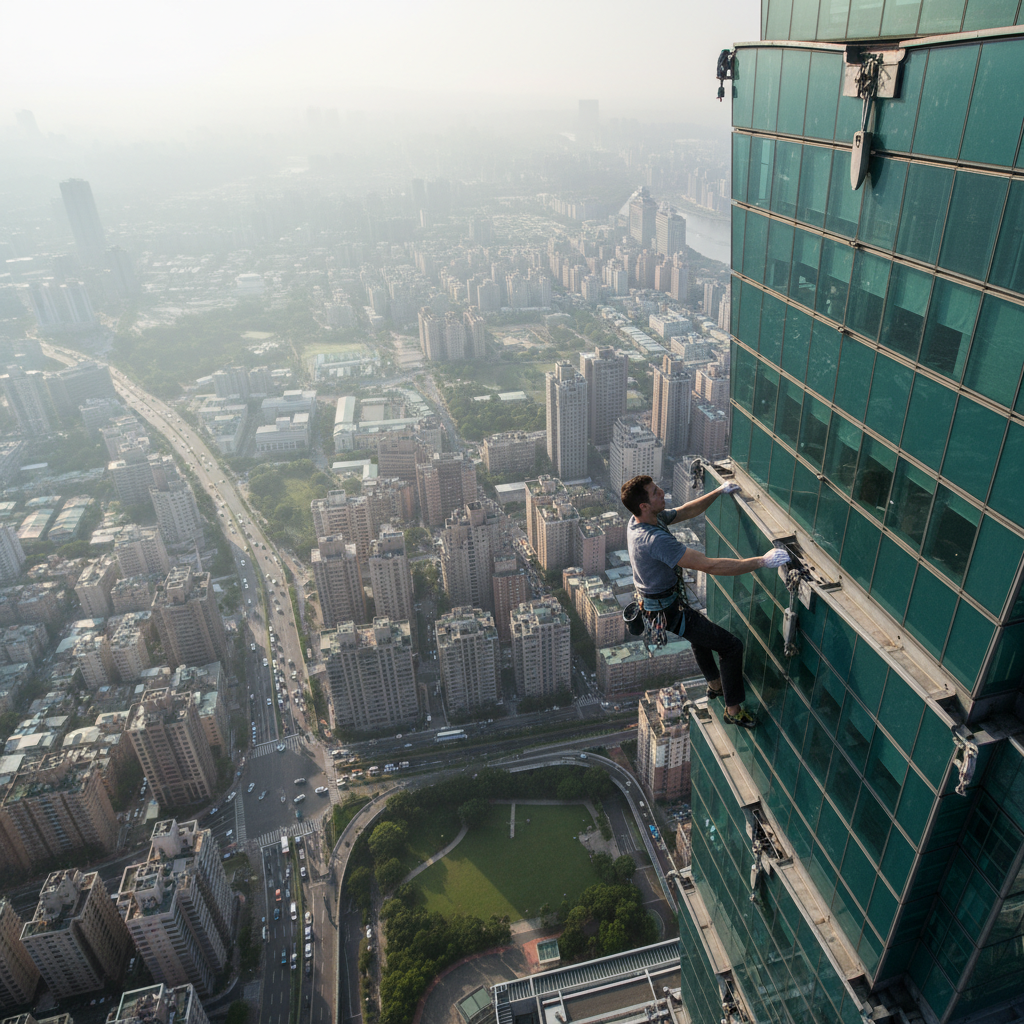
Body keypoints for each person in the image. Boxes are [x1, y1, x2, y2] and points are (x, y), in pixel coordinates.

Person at [621, 474, 790, 729]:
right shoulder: (654, 540)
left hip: (662, 604)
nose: (662, 492)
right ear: (643, 505)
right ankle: (733, 711)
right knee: (731, 646)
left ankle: (715, 684)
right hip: (667, 609)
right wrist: (761, 561)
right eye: (655, 492)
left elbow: (684, 511)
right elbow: (709, 565)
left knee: (699, 636)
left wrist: (718, 491)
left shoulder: (640, 520)